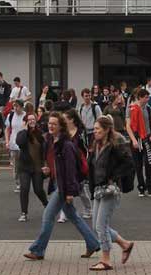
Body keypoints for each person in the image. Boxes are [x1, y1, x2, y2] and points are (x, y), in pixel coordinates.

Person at [23, 112, 101, 261]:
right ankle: (92, 243)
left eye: (54, 124)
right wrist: (49, 170)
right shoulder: (52, 142)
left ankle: (38, 250)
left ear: (61, 127)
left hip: (64, 187)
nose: (50, 126)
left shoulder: (67, 145)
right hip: (58, 183)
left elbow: (70, 170)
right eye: (49, 123)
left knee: (47, 215)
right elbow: (56, 166)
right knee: (73, 216)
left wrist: (70, 192)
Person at [87, 115, 137, 271]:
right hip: (98, 188)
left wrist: (113, 177)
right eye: (94, 129)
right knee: (97, 226)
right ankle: (125, 244)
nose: (94, 132)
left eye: (97, 129)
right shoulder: (96, 144)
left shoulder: (116, 143)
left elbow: (129, 163)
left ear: (107, 129)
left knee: (101, 226)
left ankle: (106, 259)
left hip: (110, 190)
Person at [14, 114, 48, 222]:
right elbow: (20, 143)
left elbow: (45, 149)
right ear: (26, 122)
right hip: (25, 166)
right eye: (29, 120)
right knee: (24, 188)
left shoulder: (40, 134)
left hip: (38, 167)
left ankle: (47, 205)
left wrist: (45, 164)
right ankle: (24, 212)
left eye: (33, 119)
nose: (31, 121)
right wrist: (24, 130)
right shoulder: (22, 134)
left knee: (38, 189)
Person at [62, 109, 93, 219]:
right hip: (66, 163)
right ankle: (65, 212)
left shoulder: (80, 132)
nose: (63, 121)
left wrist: (85, 162)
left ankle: (88, 208)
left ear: (71, 120)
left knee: (80, 189)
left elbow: (85, 148)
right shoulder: (63, 132)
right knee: (64, 187)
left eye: (65, 119)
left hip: (78, 163)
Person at [126, 89, 151, 197]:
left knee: (149, 162)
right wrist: (133, 140)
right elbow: (128, 126)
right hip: (136, 137)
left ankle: (150, 186)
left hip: (146, 137)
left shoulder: (149, 109)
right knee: (137, 164)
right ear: (140, 97)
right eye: (146, 97)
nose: (148, 99)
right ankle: (141, 187)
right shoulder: (131, 109)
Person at [4, 102, 29, 193]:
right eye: (14, 106)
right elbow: (7, 129)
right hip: (13, 144)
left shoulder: (26, 116)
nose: (15, 108)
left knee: (25, 164)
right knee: (16, 165)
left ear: (22, 107)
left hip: (24, 145)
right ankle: (18, 183)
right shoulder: (10, 116)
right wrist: (7, 141)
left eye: (17, 106)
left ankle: (25, 182)